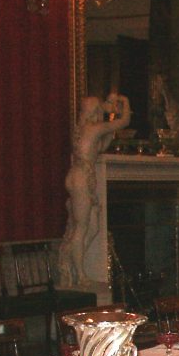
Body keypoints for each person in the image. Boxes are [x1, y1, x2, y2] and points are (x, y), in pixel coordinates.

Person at [59, 93, 132, 287]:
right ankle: (80, 275)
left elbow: (102, 146)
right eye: (99, 108)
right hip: (81, 177)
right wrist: (124, 101)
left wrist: (110, 114)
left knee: (93, 226)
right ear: (95, 110)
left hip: (83, 177)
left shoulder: (87, 129)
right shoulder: (92, 128)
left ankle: (72, 261)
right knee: (81, 227)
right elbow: (125, 121)